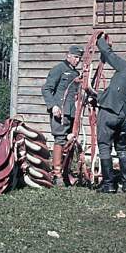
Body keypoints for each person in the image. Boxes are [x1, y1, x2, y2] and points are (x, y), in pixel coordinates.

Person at [95, 35, 126, 193]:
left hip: (109, 113)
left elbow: (109, 54)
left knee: (104, 148)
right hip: (125, 118)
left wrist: (99, 39)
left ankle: (109, 184)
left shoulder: (125, 67)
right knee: (122, 149)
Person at [41, 45, 84, 186]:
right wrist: (53, 106)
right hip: (60, 112)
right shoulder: (58, 69)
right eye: (76, 57)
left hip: (72, 113)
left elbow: (76, 93)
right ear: (68, 56)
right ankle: (57, 174)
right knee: (60, 139)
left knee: (70, 140)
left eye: (79, 58)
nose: (77, 60)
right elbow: (46, 89)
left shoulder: (76, 73)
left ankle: (66, 172)